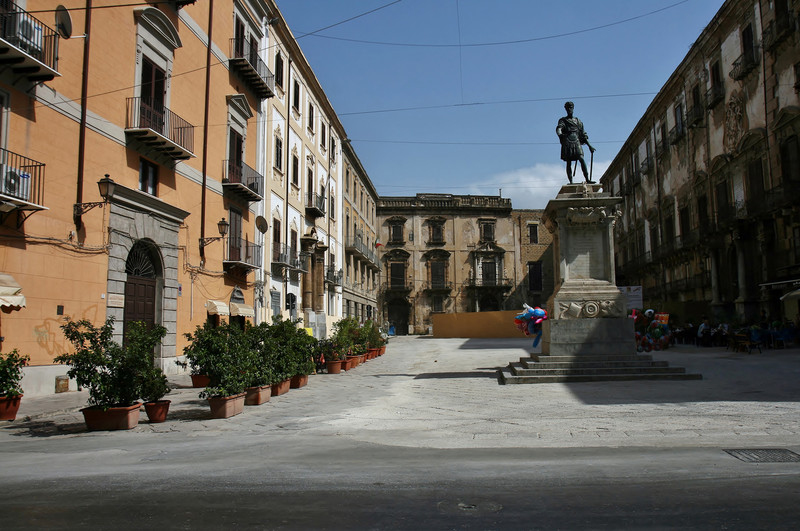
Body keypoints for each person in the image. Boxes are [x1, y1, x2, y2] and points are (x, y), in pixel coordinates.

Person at [556, 101, 596, 184]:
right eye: (568, 108)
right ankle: (571, 181)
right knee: (569, 161)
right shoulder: (563, 120)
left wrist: (589, 146)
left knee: (581, 158)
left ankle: (587, 179)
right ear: (566, 109)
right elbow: (559, 128)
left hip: (576, 140)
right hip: (568, 141)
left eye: (570, 107)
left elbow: (583, 135)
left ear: (573, 108)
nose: (569, 109)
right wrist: (560, 134)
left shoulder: (578, 121)